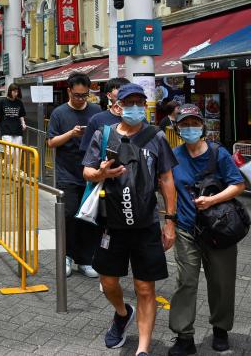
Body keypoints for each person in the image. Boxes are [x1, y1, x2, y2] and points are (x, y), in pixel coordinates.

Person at [82, 83, 178, 356]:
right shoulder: (104, 135)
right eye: (129, 103)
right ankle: (122, 314)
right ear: (118, 106)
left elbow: (167, 179)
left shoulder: (156, 137)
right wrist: (101, 173)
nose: (135, 108)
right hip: (112, 223)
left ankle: (143, 349)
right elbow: (87, 172)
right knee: (108, 282)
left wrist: (170, 221)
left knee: (145, 287)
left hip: (147, 224)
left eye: (140, 103)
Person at [167, 104, 245, 355]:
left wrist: (212, 200)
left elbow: (238, 185)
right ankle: (184, 336)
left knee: (221, 282)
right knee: (185, 283)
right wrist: (169, 221)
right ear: (177, 128)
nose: (190, 128)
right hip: (187, 229)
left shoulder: (218, 153)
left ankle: (221, 330)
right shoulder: (173, 156)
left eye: (194, 123)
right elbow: (167, 188)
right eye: (184, 124)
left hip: (218, 230)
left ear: (202, 126)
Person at [47, 73, 102, 278]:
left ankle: (86, 259)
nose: (81, 99)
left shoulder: (96, 111)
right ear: (69, 91)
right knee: (69, 216)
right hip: (67, 173)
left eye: (85, 95)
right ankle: (66, 256)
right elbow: (51, 142)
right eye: (77, 95)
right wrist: (71, 133)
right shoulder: (59, 113)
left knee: (89, 218)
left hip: (91, 174)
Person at [80, 77, 131, 153]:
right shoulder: (97, 119)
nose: (124, 93)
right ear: (109, 95)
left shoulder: (137, 118)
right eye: (119, 89)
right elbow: (87, 149)